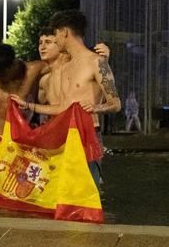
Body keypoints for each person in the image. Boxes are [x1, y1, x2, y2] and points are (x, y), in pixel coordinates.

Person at [12, 10, 121, 185]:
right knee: (59, 192)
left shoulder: (97, 62)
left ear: (64, 32)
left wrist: (97, 107)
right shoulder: (65, 67)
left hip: (87, 136)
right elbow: (61, 107)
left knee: (86, 192)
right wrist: (28, 106)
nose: (55, 40)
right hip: (62, 136)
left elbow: (116, 103)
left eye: (55, 35)